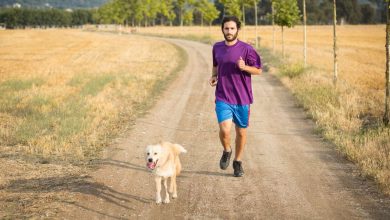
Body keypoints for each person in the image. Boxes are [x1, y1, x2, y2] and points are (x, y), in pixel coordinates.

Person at [209, 16, 262, 177]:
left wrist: (245, 67)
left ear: (237, 29)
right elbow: (216, 65)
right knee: (225, 130)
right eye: (226, 28)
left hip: (242, 98)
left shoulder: (247, 49)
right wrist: (213, 76)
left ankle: (238, 162)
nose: (229, 31)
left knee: (241, 133)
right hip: (223, 96)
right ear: (222, 29)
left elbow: (258, 70)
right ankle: (227, 150)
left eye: (232, 28)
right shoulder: (217, 47)